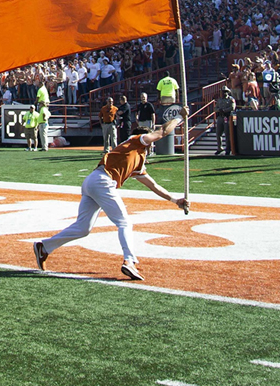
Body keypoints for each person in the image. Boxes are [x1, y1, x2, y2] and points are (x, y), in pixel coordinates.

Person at [31, 111, 190, 281]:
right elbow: (162, 132)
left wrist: (175, 200)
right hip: (103, 181)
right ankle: (129, 261)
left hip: (93, 181)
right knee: (124, 222)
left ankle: (44, 247)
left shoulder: (137, 159)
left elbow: (154, 186)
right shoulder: (137, 141)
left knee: (83, 228)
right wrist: (180, 117)